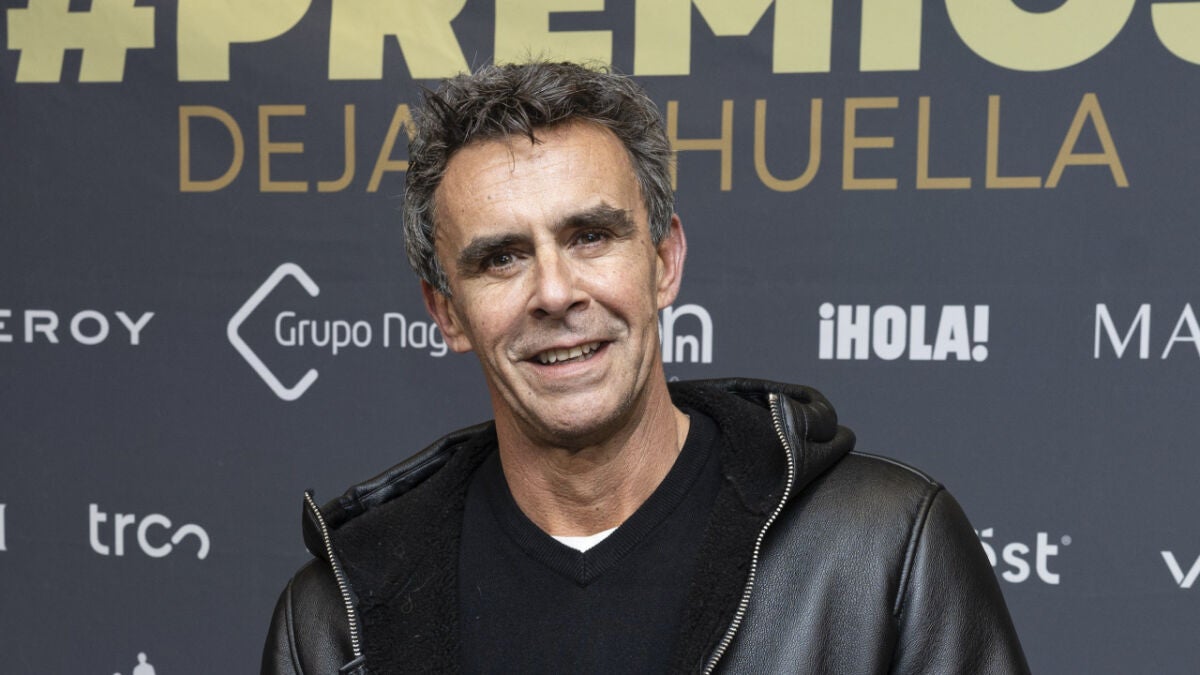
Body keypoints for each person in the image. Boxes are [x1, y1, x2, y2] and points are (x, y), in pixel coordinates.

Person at [262, 62, 1029, 674]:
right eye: (502, 258)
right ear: (447, 311)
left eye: (590, 236)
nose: (555, 292)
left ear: (664, 262)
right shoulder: (339, 618)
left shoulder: (882, 550)